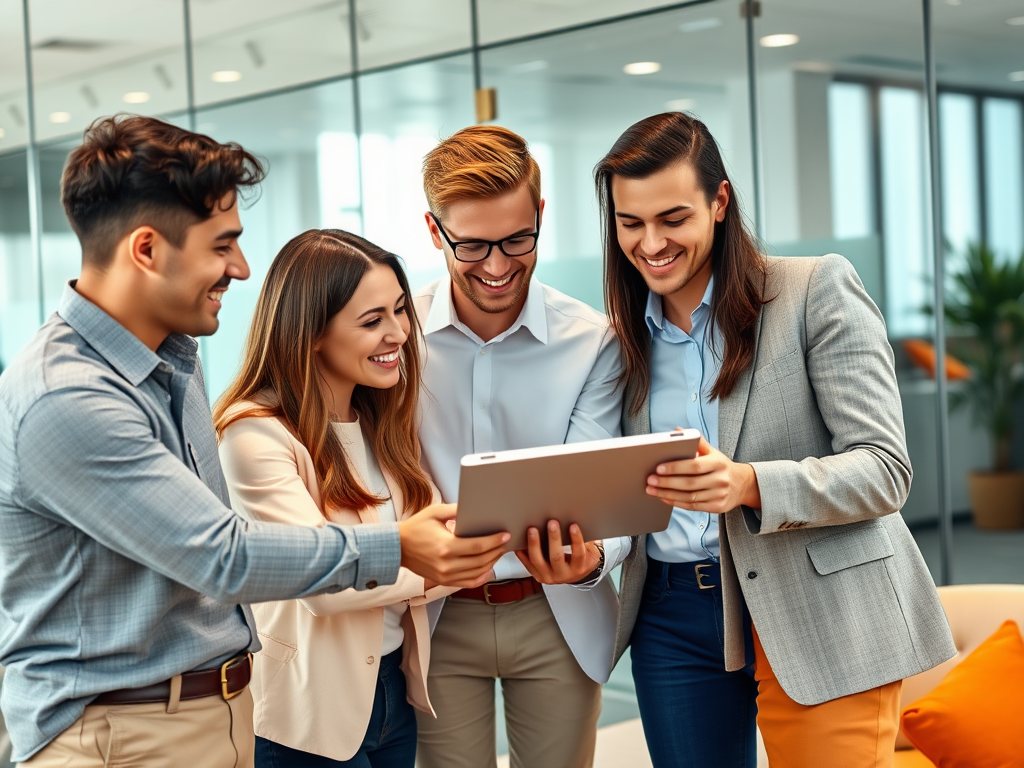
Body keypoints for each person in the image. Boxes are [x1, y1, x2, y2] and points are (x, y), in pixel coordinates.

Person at [0, 116, 508, 768]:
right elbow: (223, 559)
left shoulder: (171, 360)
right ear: (147, 250)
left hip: (210, 714)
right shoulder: (67, 398)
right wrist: (403, 545)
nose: (240, 268)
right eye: (222, 245)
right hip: (119, 733)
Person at [595, 111, 956, 768]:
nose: (651, 243)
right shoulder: (620, 342)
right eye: (630, 223)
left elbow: (884, 469)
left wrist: (750, 483)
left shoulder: (813, 289)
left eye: (673, 219)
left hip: (816, 596)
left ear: (720, 202)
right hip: (671, 613)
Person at [413, 125, 630, 768]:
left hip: (555, 613)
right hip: (434, 616)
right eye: (472, 246)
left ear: (540, 215)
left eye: (516, 239)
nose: (499, 266)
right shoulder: (395, 338)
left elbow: (605, 488)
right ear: (434, 231)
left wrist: (592, 557)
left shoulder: (593, 340)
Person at [216, 229, 458, 767]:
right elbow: (319, 580)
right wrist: (440, 563)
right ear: (311, 334)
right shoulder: (254, 436)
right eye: (372, 321)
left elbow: (435, 537)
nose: (398, 333)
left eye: (399, 311)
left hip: (393, 691)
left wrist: (465, 550)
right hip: (309, 714)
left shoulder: (383, 421)